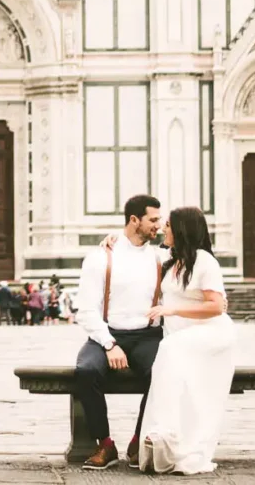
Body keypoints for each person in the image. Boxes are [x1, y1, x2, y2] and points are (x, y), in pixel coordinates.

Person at [135, 207, 237, 474]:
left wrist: (172, 310)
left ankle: (166, 433)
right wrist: (110, 243)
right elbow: (135, 253)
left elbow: (217, 307)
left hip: (210, 334)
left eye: (168, 225)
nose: (163, 230)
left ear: (181, 230)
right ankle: (168, 437)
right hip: (182, 337)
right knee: (176, 371)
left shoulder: (205, 262)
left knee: (168, 349)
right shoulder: (171, 259)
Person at [73, 194, 169, 471]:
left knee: (161, 373)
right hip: (107, 333)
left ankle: (139, 440)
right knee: (86, 371)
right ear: (134, 220)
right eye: (153, 220)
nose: (159, 226)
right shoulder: (100, 257)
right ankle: (104, 444)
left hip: (148, 336)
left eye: (160, 220)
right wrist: (109, 343)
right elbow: (87, 310)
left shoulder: (160, 256)